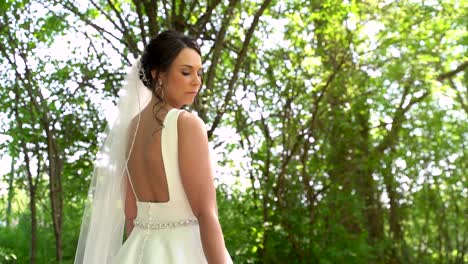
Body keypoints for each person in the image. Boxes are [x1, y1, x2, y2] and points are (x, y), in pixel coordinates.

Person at [74, 30, 233, 264]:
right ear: (158, 75)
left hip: (135, 251)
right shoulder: (187, 124)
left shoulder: (131, 128)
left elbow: (131, 215)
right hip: (184, 252)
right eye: (186, 72)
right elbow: (206, 214)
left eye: (199, 73)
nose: (197, 81)